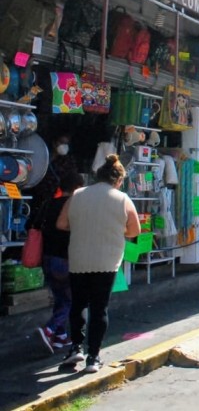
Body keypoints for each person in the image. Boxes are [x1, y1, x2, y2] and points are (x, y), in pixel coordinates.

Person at [56, 155, 140, 373]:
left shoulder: (77, 195)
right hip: (107, 259)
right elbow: (134, 230)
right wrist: (114, 229)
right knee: (99, 308)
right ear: (118, 180)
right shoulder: (122, 199)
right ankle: (93, 357)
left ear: (97, 176)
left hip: (79, 257)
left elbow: (62, 223)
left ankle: (76, 347)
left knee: (79, 304)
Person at [36, 172, 85, 354]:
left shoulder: (49, 203)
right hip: (66, 258)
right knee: (71, 300)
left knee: (60, 297)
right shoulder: (74, 205)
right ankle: (49, 329)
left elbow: (32, 225)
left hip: (46, 257)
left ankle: (61, 337)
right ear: (77, 188)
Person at [30, 133, 79, 222]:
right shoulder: (43, 157)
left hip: (59, 197)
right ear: (54, 143)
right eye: (62, 142)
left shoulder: (69, 161)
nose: (64, 146)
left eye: (66, 143)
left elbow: (71, 177)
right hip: (41, 197)